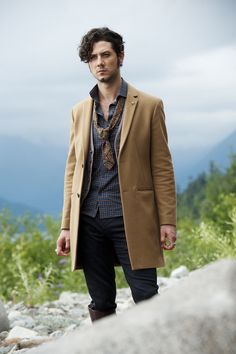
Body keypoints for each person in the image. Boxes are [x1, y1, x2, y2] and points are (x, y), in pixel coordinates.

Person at [56, 27, 176, 322]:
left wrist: (167, 220)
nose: (99, 62)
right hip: (89, 219)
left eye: (106, 54)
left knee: (146, 296)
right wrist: (67, 226)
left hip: (132, 216)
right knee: (100, 301)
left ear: (120, 57)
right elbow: (73, 169)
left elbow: (162, 167)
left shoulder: (149, 106)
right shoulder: (80, 111)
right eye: (93, 57)